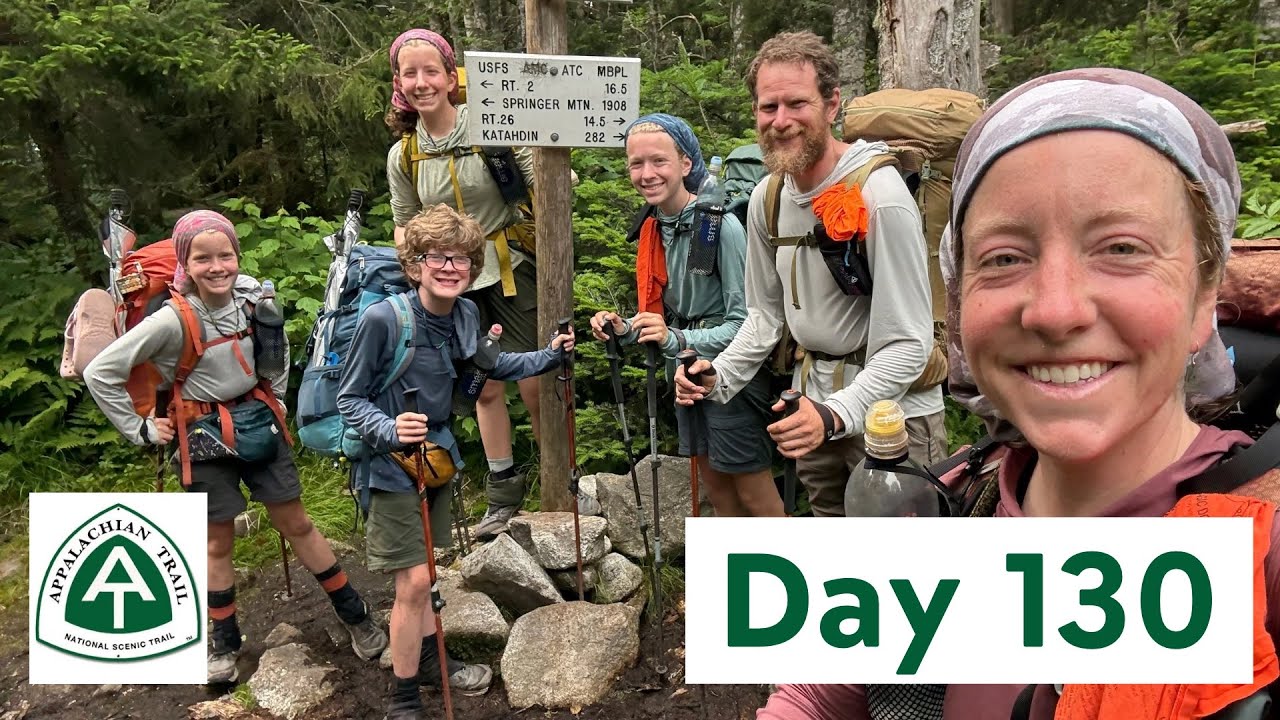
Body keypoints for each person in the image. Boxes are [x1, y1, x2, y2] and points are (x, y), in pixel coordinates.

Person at [757, 67, 1280, 720]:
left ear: (1205, 295)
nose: (1055, 311)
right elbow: (816, 694)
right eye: (1004, 257)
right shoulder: (947, 509)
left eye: (1121, 247)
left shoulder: (1264, 547)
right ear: (959, 290)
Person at [84, 211, 387, 685]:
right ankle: (224, 644)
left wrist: (279, 397)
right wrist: (139, 428)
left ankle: (356, 615)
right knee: (216, 542)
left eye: (225, 254)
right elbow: (99, 371)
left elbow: (278, 348)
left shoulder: (252, 299)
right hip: (201, 435)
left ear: (237, 256)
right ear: (185, 261)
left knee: (298, 524)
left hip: (259, 425)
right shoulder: (171, 319)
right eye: (202, 258)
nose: (217, 266)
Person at [674, 31, 947, 517]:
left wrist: (836, 413)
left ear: (831, 104)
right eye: (767, 107)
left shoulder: (879, 195)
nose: (780, 121)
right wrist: (718, 375)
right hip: (810, 407)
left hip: (892, 418)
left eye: (796, 104)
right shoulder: (768, 198)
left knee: (908, 567)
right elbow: (763, 318)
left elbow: (910, 343)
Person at [337, 204, 576, 720]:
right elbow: (349, 399)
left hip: (437, 461)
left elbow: (492, 365)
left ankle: (429, 662)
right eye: (436, 257)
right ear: (414, 264)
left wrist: (550, 356)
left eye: (462, 259)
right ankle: (403, 700)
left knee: (425, 576)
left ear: (473, 267)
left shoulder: (466, 314)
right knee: (417, 581)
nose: (450, 267)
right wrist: (389, 429)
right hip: (390, 466)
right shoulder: (384, 319)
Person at [384, 28, 594, 541]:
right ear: (398, 82)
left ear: (450, 74)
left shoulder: (492, 123)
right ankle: (502, 492)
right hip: (452, 284)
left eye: (430, 70)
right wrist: (418, 276)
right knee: (484, 385)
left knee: (535, 380)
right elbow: (405, 224)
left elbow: (548, 178)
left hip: (508, 266)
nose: (420, 82)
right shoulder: (404, 154)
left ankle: (562, 481)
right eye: (409, 73)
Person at [590, 113, 782, 517]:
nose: (646, 174)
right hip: (686, 378)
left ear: (686, 165)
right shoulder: (654, 227)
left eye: (658, 161)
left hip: (734, 378)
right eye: (636, 163)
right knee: (718, 494)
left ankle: (792, 574)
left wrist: (678, 340)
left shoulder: (717, 227)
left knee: (754, 497)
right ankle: (736, 580)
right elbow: (667, 322)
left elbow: (750, 322)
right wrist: (625, 329)